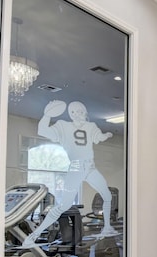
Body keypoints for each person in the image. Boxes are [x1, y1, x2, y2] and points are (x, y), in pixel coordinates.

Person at [21, 100, 117, 247]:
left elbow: (99, 137)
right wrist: (47, 115)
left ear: (85, 112)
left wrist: (106, 135)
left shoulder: (91, 126)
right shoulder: (63, 126)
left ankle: (107, 227)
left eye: (79, 111)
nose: (77, 114)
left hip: (90, 167)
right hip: (76, 167)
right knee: (64, 205)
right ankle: (34, 236)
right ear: (69, 114)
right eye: (73, 112)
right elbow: (42, 130)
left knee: (108, 195)